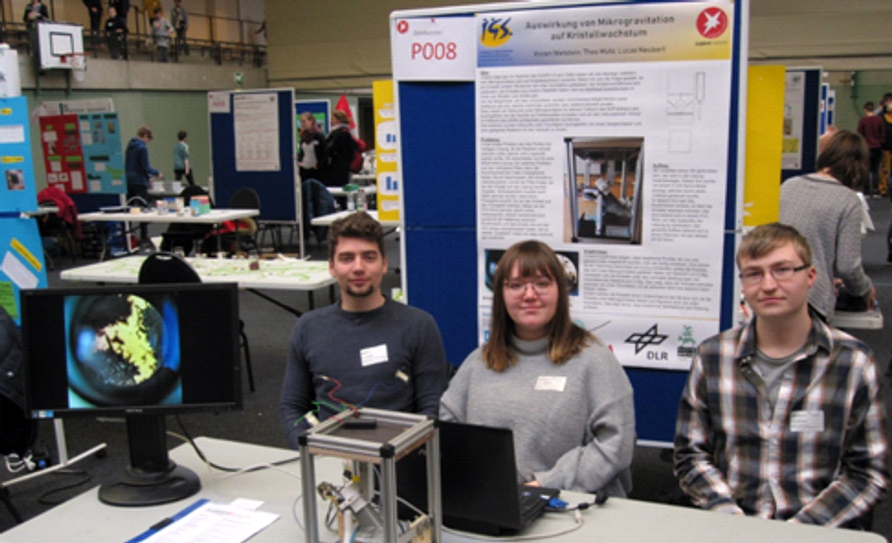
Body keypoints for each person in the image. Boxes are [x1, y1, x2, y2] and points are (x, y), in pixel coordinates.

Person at [674, 223, 888, 527]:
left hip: (819, 530)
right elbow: (690, 456)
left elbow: (868, 473)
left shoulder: (853, 363)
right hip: (733, 526)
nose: (768, 285)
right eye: (754, 273)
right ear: (743, 284)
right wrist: (731, 519)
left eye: (782, 270)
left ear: (810, 277)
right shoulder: (713, 358)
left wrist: (798, 532)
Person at [439, 240, 636, 495]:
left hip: (570, 508)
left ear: (560, 292)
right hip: (494, 504)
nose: (529, 295)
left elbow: (616, 443)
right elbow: (446, 431)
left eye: (542, 284)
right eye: (516, 285)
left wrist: (547, 484)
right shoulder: (479, 362)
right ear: (501, 295)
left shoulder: (595, 362)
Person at [280, 212, 449, 448]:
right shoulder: (308, 328)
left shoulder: (419, 326)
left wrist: (401, 455)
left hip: (398, 460)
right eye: (347, 258)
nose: (358, 268)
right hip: (329, 460)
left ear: (384, 264)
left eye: (369, 257)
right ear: (331, 267)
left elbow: (432, 409)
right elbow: (292, 409)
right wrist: (313, 454)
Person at [779, 129, 875, 320]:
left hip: (776, 287)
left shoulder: (788, 185)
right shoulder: (847, 200)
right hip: (811, 297)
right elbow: (848, 266)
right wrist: (865, 290)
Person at [125, 126, 161, 244]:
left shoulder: (129, 146)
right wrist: (156, 173)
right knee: (142, 210)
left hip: (129, 181)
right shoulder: (142, 148)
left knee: (129, 209)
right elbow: (145, 167)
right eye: (148, 139)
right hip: (139, 183)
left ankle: (129, 236)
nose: (147, 142)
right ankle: (144, 236)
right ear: (145, 136)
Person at [321, 109, 358, 187]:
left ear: (339, 120)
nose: (330, 121)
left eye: (332, 119)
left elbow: (330, 149)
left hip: (338, 170)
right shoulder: (345, 133)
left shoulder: (340, 134)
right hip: (342, 169)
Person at [857, 101, 884, 198]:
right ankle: (876, 190)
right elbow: (882, 133)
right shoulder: (879, 120)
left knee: (866, 169)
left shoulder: (863, 121)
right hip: (877, 147)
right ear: (873, 109)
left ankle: (867, 191)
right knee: (876, 170)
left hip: (866, 147)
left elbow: (860, 134)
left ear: (865, 110)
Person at [298, 111, 325, 183]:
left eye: (304, 121)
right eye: (301, 122)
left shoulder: (319, 136)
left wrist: (319, 165)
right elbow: (302, 152)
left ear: (311, 121)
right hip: (304, 169)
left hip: (315, 171)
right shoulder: (303, 137)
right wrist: (300, 161)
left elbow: (324, 153)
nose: (302, 124)